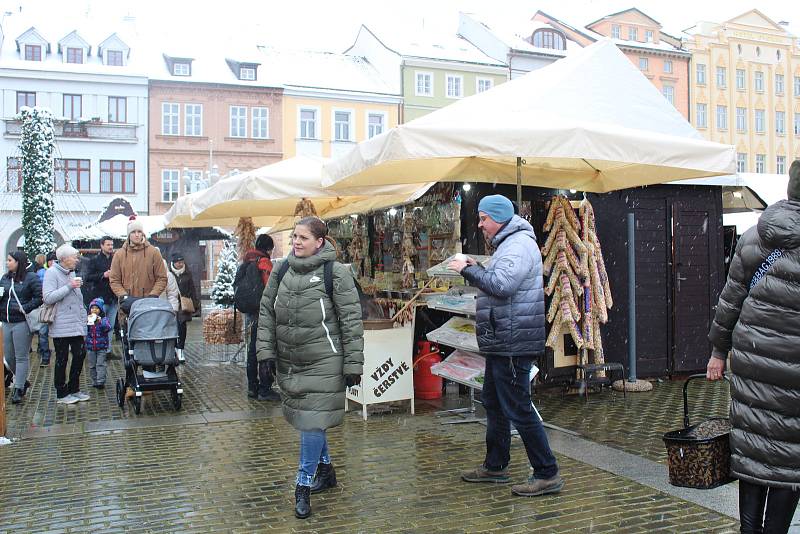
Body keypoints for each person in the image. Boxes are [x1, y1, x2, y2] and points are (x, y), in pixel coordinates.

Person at [448, 194, 563, 498]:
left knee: (518, 408)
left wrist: (466, 270)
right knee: (494, 403)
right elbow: (501, 278)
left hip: (513, 341)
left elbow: (501, 285)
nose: (481, 224)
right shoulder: (508, 244)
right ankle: (495, 465)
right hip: (504, 340)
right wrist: (477, 265)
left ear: (498, 217)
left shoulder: (517, 244)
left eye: (484, 218)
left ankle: (547, 472)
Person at [706, 160, 800, 534]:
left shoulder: (758, 236)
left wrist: (717, 350)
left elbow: (731, 298)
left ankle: (749, 529)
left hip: (751, 357)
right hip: (795, 369)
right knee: (789, 456)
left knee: (753, 443)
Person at [257, 216, 364, 519]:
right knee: (310, 419)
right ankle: (326, 470)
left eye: (303, 237)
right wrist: (265, 354)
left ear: (320, 242)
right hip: (292, 361)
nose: (296, 242)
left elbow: (351, 322)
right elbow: (266, 311)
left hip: (325, 360)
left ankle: (302, 485)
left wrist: (353, 363)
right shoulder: (282, 269)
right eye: (294, 236)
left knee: (311, 422)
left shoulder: (336, 273)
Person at [43, 244, 90, 405]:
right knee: (62, 358)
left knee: (80, 354)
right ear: (64, 259)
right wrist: (70, 286)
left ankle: (74, 388)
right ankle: (61, 393)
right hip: (61, 324)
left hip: (75, 322)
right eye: (74, 257)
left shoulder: (72, 272)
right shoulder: (51, 273)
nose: (77, 260)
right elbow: (48, 297)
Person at [237, 234, 278, 401]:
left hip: (250, 312)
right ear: (268, 248)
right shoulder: (264, 262)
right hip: (263, 312)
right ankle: (265, 389)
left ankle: (252, 388)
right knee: (264, 350)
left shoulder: (247, 260)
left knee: (252, 350)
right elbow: (270, 288)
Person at [0, 251, 43, 404]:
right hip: (6, 321)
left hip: (22, 322)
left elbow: (40, 297)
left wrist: (26, 307)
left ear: (18, 262)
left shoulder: (31, 278)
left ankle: (19, 388)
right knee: (9, 357)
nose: (7, 263)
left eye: (10, 260)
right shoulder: (5, 278)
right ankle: (22, 380)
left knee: (21, 356)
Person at [109, 216, 168, 311]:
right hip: (127, 307)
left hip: (149, 305)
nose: (137, 235)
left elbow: (162, 278)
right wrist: (124, 296)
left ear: (143, 234)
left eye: (139, 232)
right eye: (133, 232)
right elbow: (114, 280)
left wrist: (153, 295)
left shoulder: (153, 253)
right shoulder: (119, 255)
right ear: (128, 235)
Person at [84, 237, 118, 355]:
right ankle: (94, 350)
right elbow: (87, 277)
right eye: (108, 244)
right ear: (102, 246)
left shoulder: (115, 259)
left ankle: (107, 350)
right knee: (95, 325)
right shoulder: (94, 260)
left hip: (113, 298)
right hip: (99, 299)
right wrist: (103, 275)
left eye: (112, 245)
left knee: (110, 326)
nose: (110, 247)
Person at [169, 252, 200, 359]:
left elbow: (192, 289)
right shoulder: (168, 273)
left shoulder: (187, 273)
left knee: (182, 325)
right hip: (171, 302)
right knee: (171, 325)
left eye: (182, 262)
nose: (180, 264)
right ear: (173, 263)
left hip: (183, 303)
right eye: (178, 262)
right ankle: (173, 348)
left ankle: (180, 349)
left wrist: (195, 304)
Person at [85, 298, 111, 389]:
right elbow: (85, 331)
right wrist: (86, 323)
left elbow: (108, 328)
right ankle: (94, 381)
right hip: (90, 347)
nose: (94, 310)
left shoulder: (104, 319)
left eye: (97, 308)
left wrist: (100, 322)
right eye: (92, 308)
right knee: (92, 365)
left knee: (101, 364)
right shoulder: (88, 319)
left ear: (100, 310)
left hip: (101, 347)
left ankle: (101, 381)